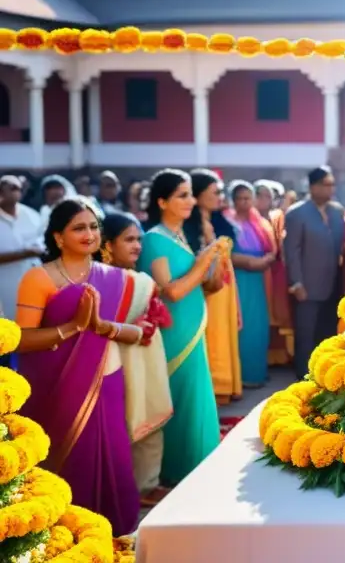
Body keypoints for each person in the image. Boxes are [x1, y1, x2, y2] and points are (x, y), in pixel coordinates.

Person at [14, 199, 146, 535]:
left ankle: (111, 532)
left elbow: (139, 334)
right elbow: (22, 339)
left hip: (107, 380)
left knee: (112, 455)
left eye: (93, 227)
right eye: (78, 227)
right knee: (65, 458)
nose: (88, 234)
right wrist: (73, 327)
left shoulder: (116, 277)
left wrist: (103, 327)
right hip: (54, 387)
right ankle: (58, 532)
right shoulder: (38, 278)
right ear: (58, 237)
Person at [137, 169, 224, 486]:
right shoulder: (153, 240)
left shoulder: (180, 237)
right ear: (162, 201)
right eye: (182, 195)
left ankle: (199, 467)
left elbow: (204, 285)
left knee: (196, 396)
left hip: (192, 329)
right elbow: (170, 290)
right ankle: (178, 472)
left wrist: (217, 262)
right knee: (179, 397)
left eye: (190, 194)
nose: (190, 200)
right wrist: (202, 263)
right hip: (173, 334)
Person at [100, 212, 174, 507]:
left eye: (139, 240)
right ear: (107, 245)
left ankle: (148, 483)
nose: (137, 246)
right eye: (129, 240)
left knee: (151, 412)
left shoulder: (142, 279)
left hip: (147, 356)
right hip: (118, 357)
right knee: (124, 418)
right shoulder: (101, 280)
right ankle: (124, 486)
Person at [183, 170, 242, 405]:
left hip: (223, 290)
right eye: (214, 192)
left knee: (222, 336)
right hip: (208, 292)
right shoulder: (191, 228)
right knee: (212, 339)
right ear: (197, 196)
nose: (220, 196)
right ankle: (213, 390)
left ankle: (223, 389)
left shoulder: (214, 222)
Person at [285, 167, 345, 378]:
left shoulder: (337, 211)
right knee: (305, 336)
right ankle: (303, 378)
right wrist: (296, 283)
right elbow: (291, 252)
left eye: (332, 184)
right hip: (306, 287)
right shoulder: (296, 213)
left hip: (333, 284)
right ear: (313, 187)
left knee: (328, 334)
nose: (331, 189)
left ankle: (325, 376)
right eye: (326, 184)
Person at [225, 181, 276, 387]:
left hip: (259, 280)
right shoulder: (228, 223)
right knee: (241, 325)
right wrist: (248, 262)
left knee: (259, 326)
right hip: (238, 280)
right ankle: (241, 376)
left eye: (248, 198)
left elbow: (272, 249)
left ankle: (257, 373)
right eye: (240, 198)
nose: (244, 202)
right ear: (234, 201)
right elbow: (224, 252)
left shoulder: (261, 223)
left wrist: (266, 260)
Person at [255, 180, 292, 367]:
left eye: (268, 196)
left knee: (276, 312)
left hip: (274, 272)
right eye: (259, 195)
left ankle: (278, 355)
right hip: (252, 274)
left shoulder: (276, 217)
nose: (264, 200)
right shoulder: (245, 221)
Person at [0, 176, 44, 322]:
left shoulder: (32, 216)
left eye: (14, 188)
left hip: (32, 287)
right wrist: (24, 254)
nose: (5, 192)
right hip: (4, 287)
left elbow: (43, 246)